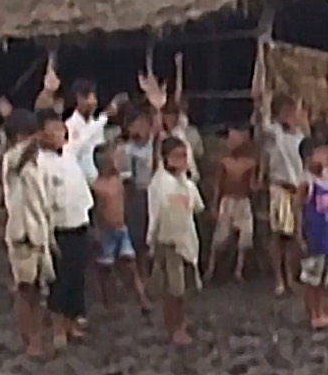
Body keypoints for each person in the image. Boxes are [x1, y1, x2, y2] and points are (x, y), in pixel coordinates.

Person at [2, 109, 55, 358]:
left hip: (38, 232)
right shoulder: (11, 160)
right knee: (26, 289)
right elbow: (20, 156)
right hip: (22, 233)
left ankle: (35, 337)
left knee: (38, 289)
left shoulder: (37, 163)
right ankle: (31, 339)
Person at [39, 108, 94, 346]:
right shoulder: (40, 163)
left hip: (79, 222)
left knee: (76, 278)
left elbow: (87, 136)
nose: (59, 134)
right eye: (52, 130)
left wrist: (107, 115)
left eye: (61, 129)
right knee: (58, 279)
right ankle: (58, 328)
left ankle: (72, 323)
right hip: (57, 228)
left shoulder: (69, 154)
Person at [147, 136, 204, 346]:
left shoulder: (186, 184)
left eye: (183, 156)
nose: (181, 161)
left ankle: (181, 322)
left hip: (186, 239)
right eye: (176, 156)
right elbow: (155, 214)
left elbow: (197, 207)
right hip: (168, 242)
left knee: (184, 289)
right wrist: (152, 242)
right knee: (173, 290)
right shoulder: (160, 184)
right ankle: (174, 327)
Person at [91, 142, 151, 310]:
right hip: (106, 231)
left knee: (130, 265)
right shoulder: (97, 186)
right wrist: (96, 231)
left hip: (121, 228)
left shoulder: (119, 181)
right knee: (105, 269)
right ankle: (108, 301)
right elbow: (96, 211)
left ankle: (142, 299)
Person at [262, 93, 305, 296]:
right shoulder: (274, 134)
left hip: (296, 190)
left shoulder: (299, 137)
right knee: (278, 235)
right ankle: (279, 280)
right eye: (286, 112)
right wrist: (262, 102)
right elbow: (263, 123)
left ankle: (290, 276)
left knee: (293, 236)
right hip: (280, 188)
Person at [206, 125, 259, 283]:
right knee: (220, 237)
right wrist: (215, 204)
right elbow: (218, 184)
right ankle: (211, 267)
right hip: (228, 200)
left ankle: (238, 269)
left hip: (243, 201)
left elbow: (251, 185)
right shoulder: (225, 162)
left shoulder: (250, 163)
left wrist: (258, 184)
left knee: (245, 236)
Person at [298, 135, 328, 330]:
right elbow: (297, 209)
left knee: (323, 276)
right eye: (321, 153)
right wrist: (300, 235)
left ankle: (321, 310)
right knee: (311, 278)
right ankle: (311, 313)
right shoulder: (306, 181)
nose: (325, 156)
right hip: (312, 235)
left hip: (326, 234)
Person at [117, 106, 158, 258]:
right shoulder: (124, 149)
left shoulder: (155, 145)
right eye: (135, 124)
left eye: (143, 123)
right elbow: (125, 179)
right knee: (137, 234)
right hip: (137, 195)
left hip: (155, 193)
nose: (139, 128)